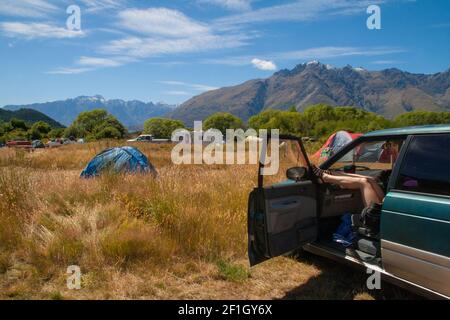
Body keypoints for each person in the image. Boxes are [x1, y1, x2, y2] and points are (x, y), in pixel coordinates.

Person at [312, 165, 384, 207]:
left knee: (363, 183)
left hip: (379, 217)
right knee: (370, 180)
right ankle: (330, 174)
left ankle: (326, 178)